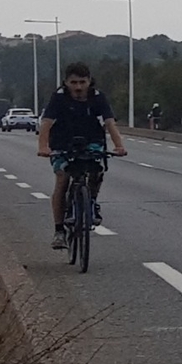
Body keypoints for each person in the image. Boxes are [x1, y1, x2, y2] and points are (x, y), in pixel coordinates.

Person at [37, 62, 127, 244]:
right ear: (66, 82)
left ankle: (92, 202)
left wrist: (119, 145)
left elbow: (109, 123)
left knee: (97, 169)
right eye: (74, 82)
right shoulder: (59, 97)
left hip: (92, 140)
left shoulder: (98, 97)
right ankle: (59, 230)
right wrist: (43, 147)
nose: (78, 87)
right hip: (62, 142)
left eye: (82, 82)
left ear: (89, 81)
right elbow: (46, 123)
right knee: (62, 179)